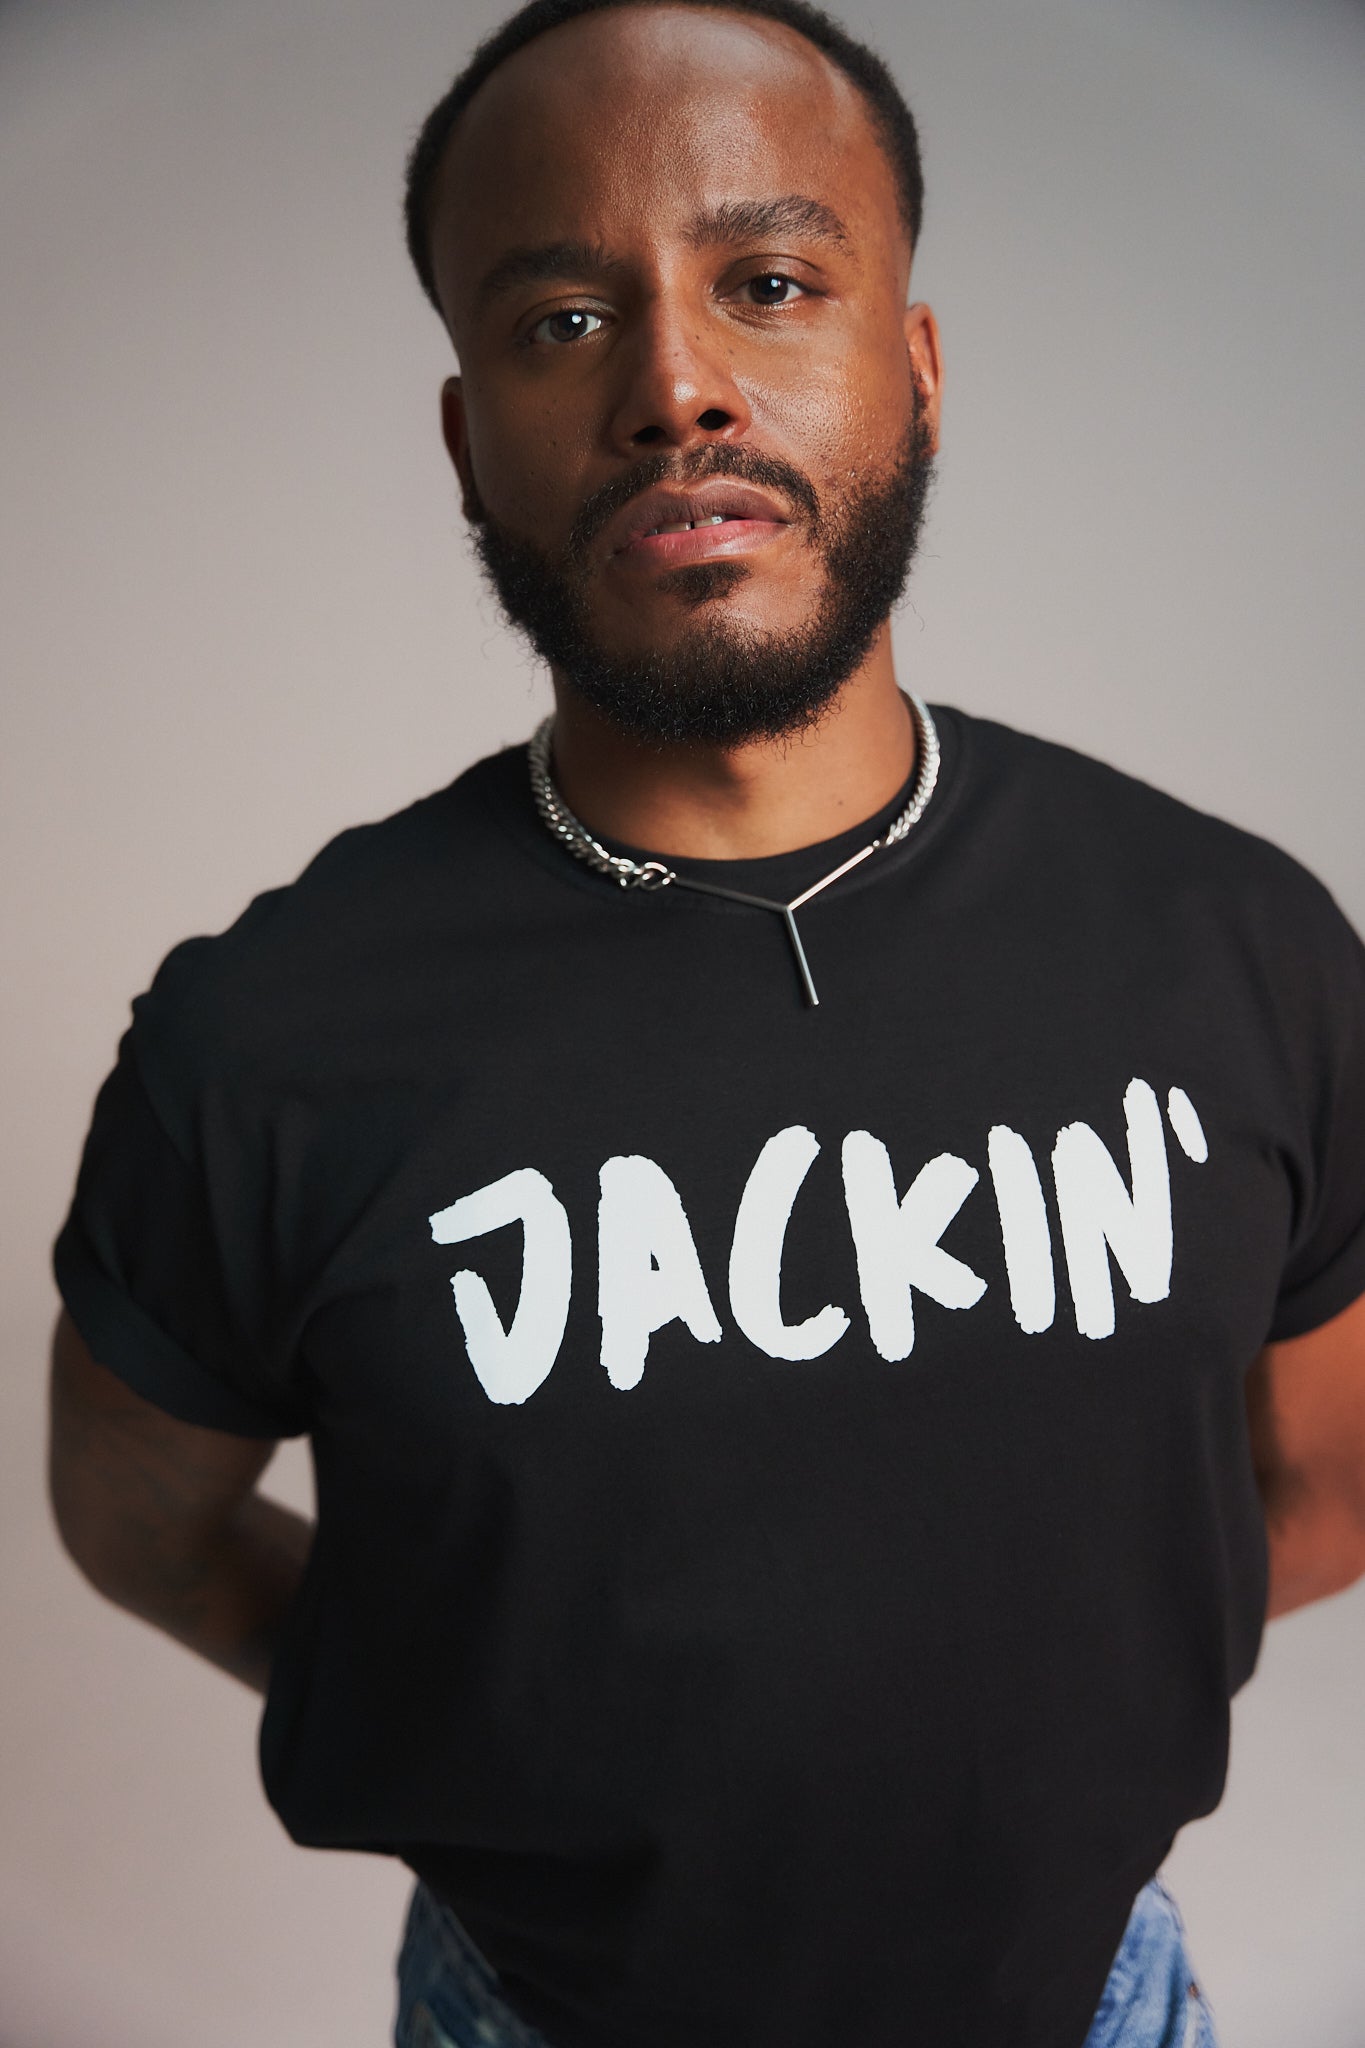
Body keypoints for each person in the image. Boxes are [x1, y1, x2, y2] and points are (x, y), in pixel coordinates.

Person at [46, 0, 1365, 2043]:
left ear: (912, 368)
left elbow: (1324, 1483)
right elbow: (141, 1525)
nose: (674, 385)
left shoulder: (1233, 943)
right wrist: (487, 1723)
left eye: (768, 284)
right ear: (468, 436)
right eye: (562, 320)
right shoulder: (266, 1041)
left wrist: (1012, 1719)